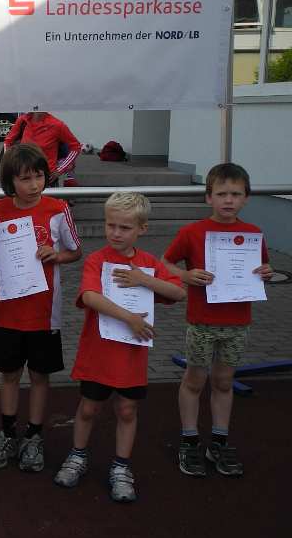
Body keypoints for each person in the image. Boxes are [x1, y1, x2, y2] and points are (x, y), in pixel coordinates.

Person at [53, 192, 185, 502]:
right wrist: (130, 318)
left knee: (127, 409)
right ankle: (78, 455)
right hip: (98, 352)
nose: (115, 233)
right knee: (89, 407)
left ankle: (121, 466)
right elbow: (89, 297)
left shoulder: (148, 264)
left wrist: (144, 280)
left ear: (142, 229)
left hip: (131, 355)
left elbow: (178, 293)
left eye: (125, 227)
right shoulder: (97, 260)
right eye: (110, 225)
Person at [162, 163, 273, 478]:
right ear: (208, 197)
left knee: (224, 381)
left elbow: (262, 269)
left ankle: (219, 442)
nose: (229, 200)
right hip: (202, 322)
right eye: (222, 194)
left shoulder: (253, 234)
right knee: (195, 381)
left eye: (236, 194)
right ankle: (190, 440)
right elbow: (164, 262)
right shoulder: (192, 232)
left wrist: (266, 272)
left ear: (246, 198)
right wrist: (185, 275)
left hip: (238, 323)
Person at [0, 143, 82, 473]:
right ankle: (8, 433)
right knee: (9, 374)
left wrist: (57, 255)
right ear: (10, 181)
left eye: (39, 176)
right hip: (9, 310)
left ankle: (34, 435)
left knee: (39, 375)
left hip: (44, 312)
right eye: (25, 179)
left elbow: (75, 251)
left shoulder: (58, 208)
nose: (34, 184)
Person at [4, 111, 80, 186]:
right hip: (23, 174)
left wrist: (60, 170)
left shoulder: (56, 124)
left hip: (46, 177)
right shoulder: (23, 120)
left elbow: (76, 146)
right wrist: (10, 164)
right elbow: (7, 142)